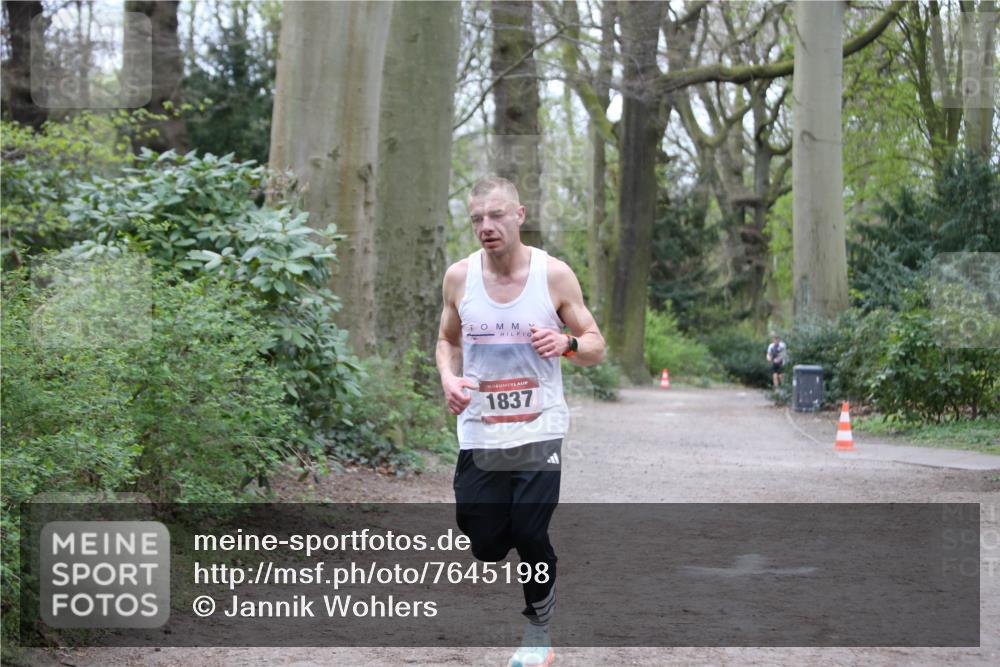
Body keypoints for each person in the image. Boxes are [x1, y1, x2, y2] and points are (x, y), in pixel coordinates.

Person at [436, 176, 605, 667]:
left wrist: (567, 344)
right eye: (476, 219)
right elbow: (447, 340)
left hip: (540, 428)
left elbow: (594, 342)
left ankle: (538, 633)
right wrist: (449, 376)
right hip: (481, 430)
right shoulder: (459, 278)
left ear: (519, 215)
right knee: (485, 544)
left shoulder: (553, 275)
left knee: (530, 535)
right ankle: (515, 534)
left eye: (495, 215)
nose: (485, 227)